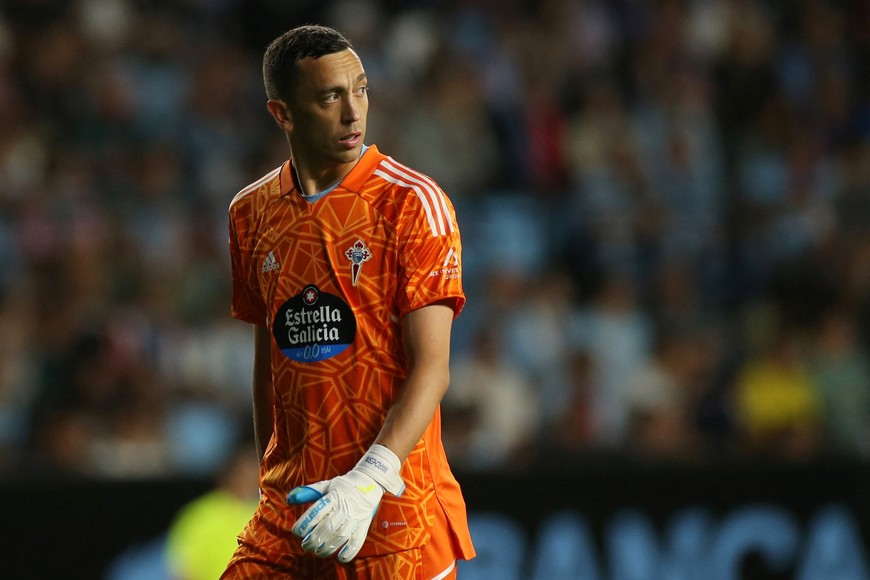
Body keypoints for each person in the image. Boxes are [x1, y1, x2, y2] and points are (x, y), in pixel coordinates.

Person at [221, 24, 475, 579]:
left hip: (393, 511)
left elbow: (432, 368)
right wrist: (270, 481)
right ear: (283, 114)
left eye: (360, 90)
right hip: (291, 510)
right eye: (330, 97)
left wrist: (367, 481)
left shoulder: (413, 202)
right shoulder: (250, 213)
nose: (353, 112)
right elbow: (269, 364)